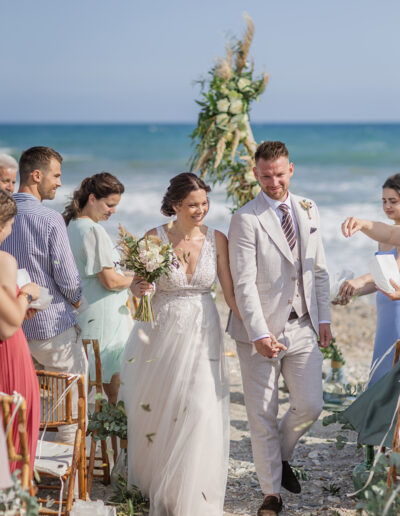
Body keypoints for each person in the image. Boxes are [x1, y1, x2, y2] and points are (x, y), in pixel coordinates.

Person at [120, 172, 241, 516]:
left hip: (204, 328)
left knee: (201, 404)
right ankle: (162, 486)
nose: (200, 209)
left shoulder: (217, 239)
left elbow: (230, 294)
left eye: (204, 203)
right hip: (162, 330)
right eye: (193, 204)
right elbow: (137, 286)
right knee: (165, 405)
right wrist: (140, 289)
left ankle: (194, 491)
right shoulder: (152, 238)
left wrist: (257, 329)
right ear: (175, 205)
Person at [228, 141, 331, 516]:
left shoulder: (308, 207)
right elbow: (244, 284)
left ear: (291, 169)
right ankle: (271, 493)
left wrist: (323, 319)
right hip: (260, 331)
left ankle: (280, 456)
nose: (274, 182)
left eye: (280, 173)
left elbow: (318, 267)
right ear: (256, 173)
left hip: (303, 325)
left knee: (309, 405)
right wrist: (258, 333)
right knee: (262, 414)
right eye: (266, 175)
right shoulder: (245, 218)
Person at [2, 146, 87, 443]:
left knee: (21, 408)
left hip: (10, 330)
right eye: (56, 175)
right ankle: (68, 483)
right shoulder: (50, 219)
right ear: (36, 176)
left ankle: (30, 476)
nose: (60, 182)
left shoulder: (3, 213)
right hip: (51, 328)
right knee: (70, 406)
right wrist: (79, 302)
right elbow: (66, 277)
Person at [63, 172, 143, 404]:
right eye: (109, 205)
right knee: (114, 392)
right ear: (92, 198)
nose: (113, 211)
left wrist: (127, 275)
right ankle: (117, 439)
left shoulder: (72, 225)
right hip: (104, 319)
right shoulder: (93, 230)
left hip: (87, 313)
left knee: (92, 387)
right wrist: (139, 278)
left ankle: (97, 437)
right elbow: (110, 281)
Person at [336, 174, 400, 385]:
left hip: (398, 313)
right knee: (381, 373)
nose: (387, 206)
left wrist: (361, 279)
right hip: (385, 314)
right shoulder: (385, 239)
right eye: (384, 201)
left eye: (393, 201)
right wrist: (350, 292)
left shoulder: (391, 235)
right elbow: (380, 281)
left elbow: (395, 273)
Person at [0, 190, 40, 475]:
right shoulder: (4, 260)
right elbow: (8, 325)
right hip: (9, 356)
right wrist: (27, 294)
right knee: (15, 434)